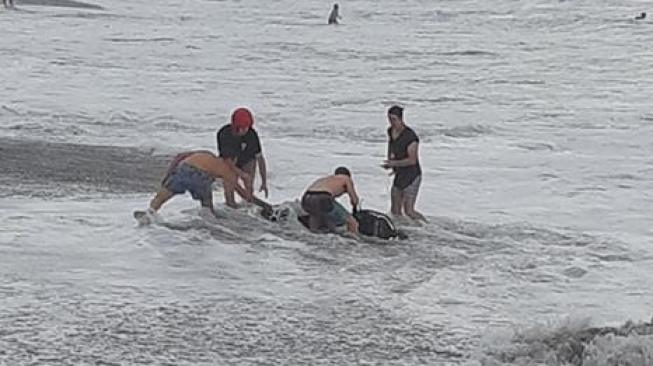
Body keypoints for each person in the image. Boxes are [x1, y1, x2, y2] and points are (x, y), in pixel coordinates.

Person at [134, 150, 252, 224]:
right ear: (233, 160)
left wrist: (169, 174)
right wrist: (250, 197)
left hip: (184, 168)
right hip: (201, 176)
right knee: (207, 206)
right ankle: (209, 224)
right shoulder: (228, 171)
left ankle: (149, 213)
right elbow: (237, 192)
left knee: (161, 197)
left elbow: (179, 156)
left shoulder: (207, 154)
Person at [381, 105, 426, 221]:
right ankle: (401, 228)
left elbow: (412, 160)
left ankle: (426, 225)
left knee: (409, 210)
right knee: (395, 210)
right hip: (400, 173)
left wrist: (394, 164)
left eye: (394, 119)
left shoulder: (411, 136)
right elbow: (391, 145)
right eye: (389, 119)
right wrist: (390, 160)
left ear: (401, 119)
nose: (391, 122)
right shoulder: (390, 131)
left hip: (412, 175)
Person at [216, 107, 269, 200]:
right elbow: (227, 161)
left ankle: (249, 202)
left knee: (249, 182)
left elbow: (260, 158)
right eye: (243, 127)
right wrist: (241, 174)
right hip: (229, 161)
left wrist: (264, 182)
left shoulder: (251, 134)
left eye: (247, 127)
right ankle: (230, 204)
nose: (246, 130)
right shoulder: (224, 134)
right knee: (229, 186)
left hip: (247, 160)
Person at [300, 167, 360, 234]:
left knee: (316, 223)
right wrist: (355, 209)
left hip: (306, 198)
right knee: (352, 222)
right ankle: (354, 240)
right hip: (323, 198)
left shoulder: (324, 179)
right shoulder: (346, 178)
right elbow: (354, 199)